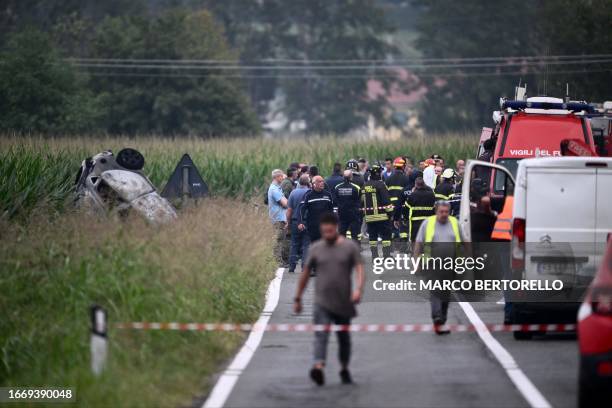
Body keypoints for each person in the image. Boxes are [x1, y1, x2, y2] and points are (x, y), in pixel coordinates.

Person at [293, 212, 365, 386]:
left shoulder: (349, 247)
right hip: (322, 302)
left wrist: (358, 290)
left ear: (337, 228)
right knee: (321, 334)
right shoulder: (316, 248)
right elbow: (304, 274)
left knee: (343, 337)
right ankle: (318, 366)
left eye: (330, 231)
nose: (328, 235)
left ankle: (344, 368)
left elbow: (360, 269)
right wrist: (298, 298)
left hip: (343, 302)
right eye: (325, 232)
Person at [412, 201, 467, 334]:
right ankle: (437, 316)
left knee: (446, 293)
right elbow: (418, 244)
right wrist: (416, 263)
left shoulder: (455, 223)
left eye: (446, 212)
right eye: (441, 212)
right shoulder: (427, 223)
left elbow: (465, 242)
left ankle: (441, 319)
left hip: (451, 265)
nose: (444, 214)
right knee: (436, 290)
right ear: (436, 211)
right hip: (431, 265)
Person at [361, 163, 393, 259]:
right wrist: (390, 213)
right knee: (386, 236)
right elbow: (386, 201)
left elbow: (361, 201)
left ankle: (375, 257)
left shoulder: (364, 186)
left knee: (372, 237)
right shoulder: (381, 185)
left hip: (369, 217)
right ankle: (386, 256)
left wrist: (365, 213)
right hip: (382, 217)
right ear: (379, 174)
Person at [395, 177, 435, 243]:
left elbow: (406, 209)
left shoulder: (412, 195)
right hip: (428, 222)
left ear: (416, 185)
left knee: (415, 241)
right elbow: (435, 207)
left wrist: (405, 219)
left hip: (415, 223)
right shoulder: (431, 195)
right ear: (424, 184)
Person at [286, 174, 311, 273]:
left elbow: (289, 210)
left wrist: (288, 222)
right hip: (306, 221)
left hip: (295, 221)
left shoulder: (293, 193)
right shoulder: (310, 192)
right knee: (306, 244)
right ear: (308, 183)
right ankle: (304, 267)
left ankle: (291, 266)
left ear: (299, 182)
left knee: (294, 244)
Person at [299, 176, 334, 245]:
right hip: (313, 227)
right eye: (319, 181)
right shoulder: (308, 195)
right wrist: (300, 222)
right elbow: (302, 209)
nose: (322, 183)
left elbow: (331, 210)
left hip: (326, 225)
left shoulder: (328, 195)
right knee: (315, 246)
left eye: (323, 181)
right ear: (314, 184)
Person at [385, 157, 411, 246]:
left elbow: (386, 193)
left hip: (391, 205)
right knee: (403, 224)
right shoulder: (406, 178)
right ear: (403, 166)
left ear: (394, 166)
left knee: (392, 224)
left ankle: (392, 243)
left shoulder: (388, 178)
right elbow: (408, 192)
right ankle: (403, 243)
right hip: (402, 205)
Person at [268, 169, 289, 267]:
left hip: (280, 217)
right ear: (276, 177)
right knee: (278, 240)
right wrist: (287, 202)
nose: (282, 178)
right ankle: (278, 262)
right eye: (281, 176)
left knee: (281, 240)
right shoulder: (274, 189)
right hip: (278, 218)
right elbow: (285, 203)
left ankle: (280, 261)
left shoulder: (277, 188)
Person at [334, 170, 361, 242]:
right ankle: (355, 250)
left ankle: (341, 250)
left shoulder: (337, 187)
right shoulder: (356, 188)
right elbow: (359, 200)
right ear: (351, 177)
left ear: (343, 177)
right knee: (355, 234)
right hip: (353, 214)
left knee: (342, 234)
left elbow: (336, 200)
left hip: (342, 214)